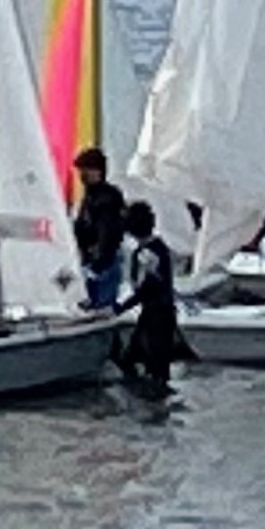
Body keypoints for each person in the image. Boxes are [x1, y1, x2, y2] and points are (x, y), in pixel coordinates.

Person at [117, 207, 182, 390]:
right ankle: (155, 402)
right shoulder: (160, 249)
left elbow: (147, 288)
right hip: (161, 313)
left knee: (147, 364)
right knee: (144, 361)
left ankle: (149, 401)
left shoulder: (146, 254)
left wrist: (120, 308)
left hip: (156, 316)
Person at [72, 149, 130, 313]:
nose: (82, 175)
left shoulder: (105, 198)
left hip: (103, 261)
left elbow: (108, 232)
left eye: (85, 170)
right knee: (93, 306)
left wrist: (99, 260)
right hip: (93, 260)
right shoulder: (91, 196)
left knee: (101, 309)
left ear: (98, 171)